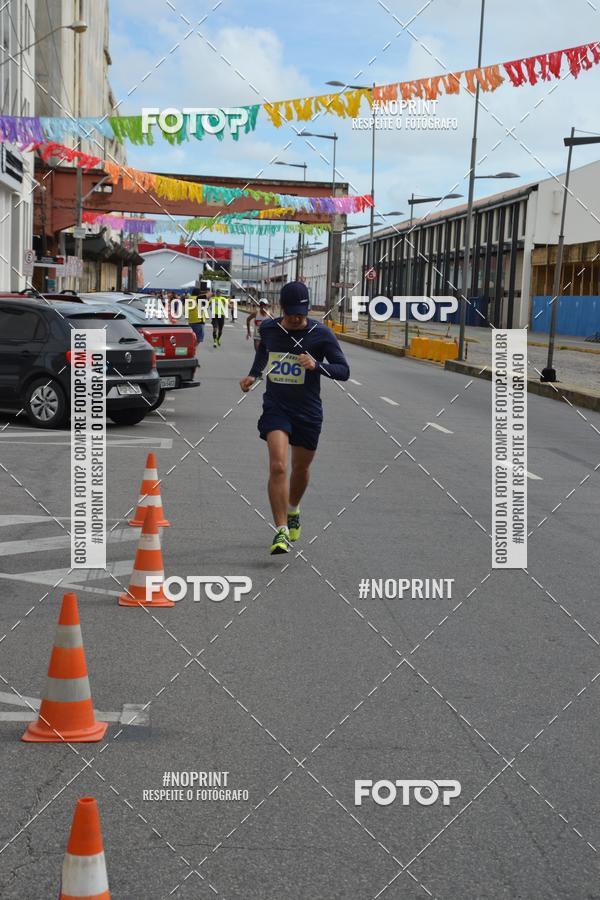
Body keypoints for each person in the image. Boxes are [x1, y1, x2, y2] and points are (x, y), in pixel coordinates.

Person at [239, 282, 350, 555]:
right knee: (278, 466)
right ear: (282, 310)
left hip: (308, 411)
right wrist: (253, 375)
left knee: (300, 469)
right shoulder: (269, 328)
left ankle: (293, 509)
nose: (296, 318)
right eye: (291, 314)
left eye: (301, 313)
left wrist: (317, 365)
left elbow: (344, 370)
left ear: (308, 308)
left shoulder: (321, 334)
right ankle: (280, 530)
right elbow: (263, 351)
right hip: (277, 406)